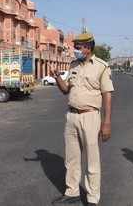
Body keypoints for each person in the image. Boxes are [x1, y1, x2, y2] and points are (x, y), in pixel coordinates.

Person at [51, 32, 114, 206]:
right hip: (71, 117)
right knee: (71, 159)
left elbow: (107, 95)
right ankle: (72, 193)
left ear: (88, 47)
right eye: (76, 47)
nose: (76, 50)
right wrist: (57, 77)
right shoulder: (73, 65)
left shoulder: (101, 66)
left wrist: (106, 122)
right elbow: (65, 90)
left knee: (92, 160)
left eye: (78, 47)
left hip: (90, 117)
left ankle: (93, 198)